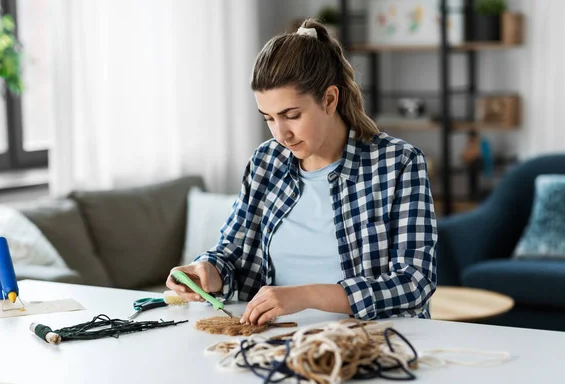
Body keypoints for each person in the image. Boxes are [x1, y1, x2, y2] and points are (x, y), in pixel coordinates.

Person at [167, 19, 437, 326]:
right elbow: (233, 253)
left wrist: (304, 296)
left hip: (369, 342)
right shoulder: (266, 161)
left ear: (330, 99)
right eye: (268, 118)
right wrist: (206, 272)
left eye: (291, 115)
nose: (281, 134)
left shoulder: (398, 163)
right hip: (274, 340)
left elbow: (414, 283)